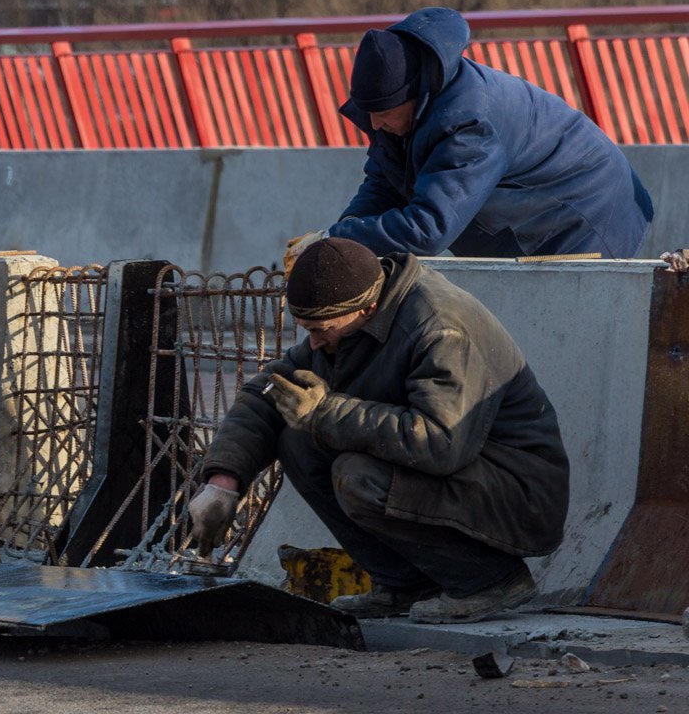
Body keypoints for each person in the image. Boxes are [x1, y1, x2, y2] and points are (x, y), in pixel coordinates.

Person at [190, 238, 569, 624]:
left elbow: (441, 441)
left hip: (517, 492)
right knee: (297, 440)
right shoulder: (353, 321)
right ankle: (404, 585)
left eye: (322, 329)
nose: (314, 343)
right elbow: (269, 391)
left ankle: (491, 582)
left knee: (357, 476)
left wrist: (326, 413)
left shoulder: (439, 328)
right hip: (466, 478)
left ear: (367, 309)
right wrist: (224, 482)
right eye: (306, 329)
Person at [288, 7, 653, 263]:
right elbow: (385, 184)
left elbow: (428, 230)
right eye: (370, 113)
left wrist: (339, 239)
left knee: (555, 339)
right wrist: (337, 240)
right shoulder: (405, 109)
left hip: (588, 208)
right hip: (530, 212)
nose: (375, 124)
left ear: (416, 96)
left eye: (382, 114)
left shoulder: (469, 123)